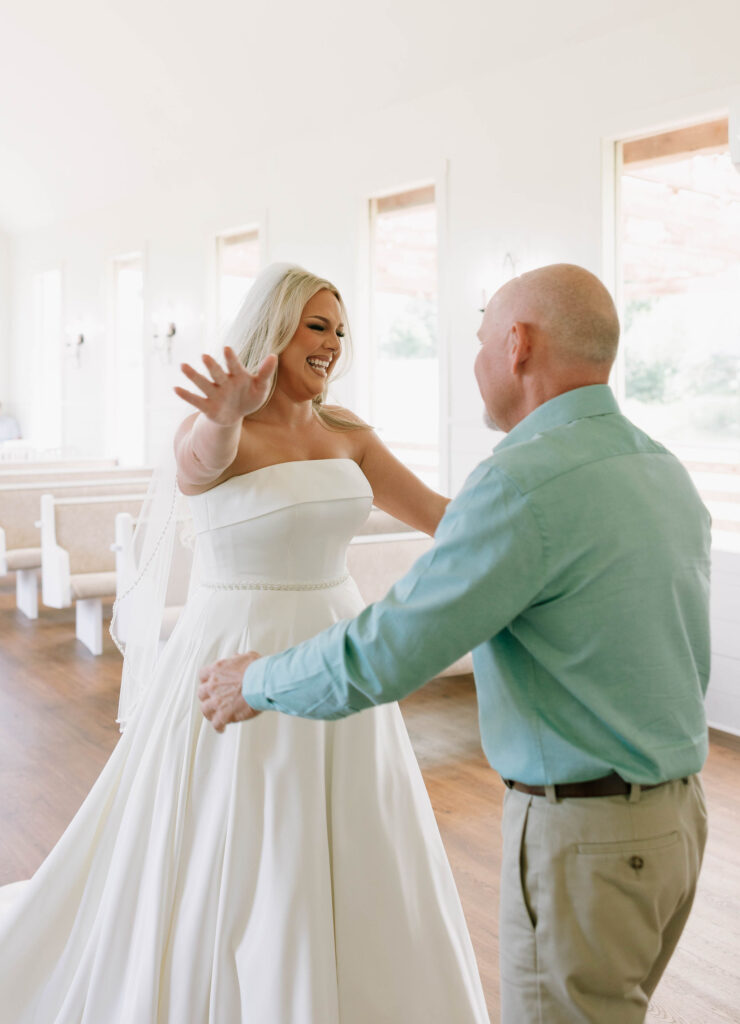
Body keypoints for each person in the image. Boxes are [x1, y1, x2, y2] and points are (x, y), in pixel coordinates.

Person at [199, 263, 711, 1024]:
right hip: (677, 826)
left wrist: (255, 681)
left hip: (587, 842)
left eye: (477, 341)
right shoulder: (660, 468)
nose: (472, 363)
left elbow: (390, 650)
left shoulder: (521, 482)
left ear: (517, 345)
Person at [0, 263, 489, 1024]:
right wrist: (226, 413)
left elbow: (437, 514)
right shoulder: (217, 432)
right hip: (236, 648)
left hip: (336, 646)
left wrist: (530, 507)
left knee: (354, 829)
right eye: (315, 326)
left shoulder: (350, 434)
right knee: (238, 835)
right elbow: (198, 467)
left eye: (339, 330)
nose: (331, 344)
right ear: (274, 328)